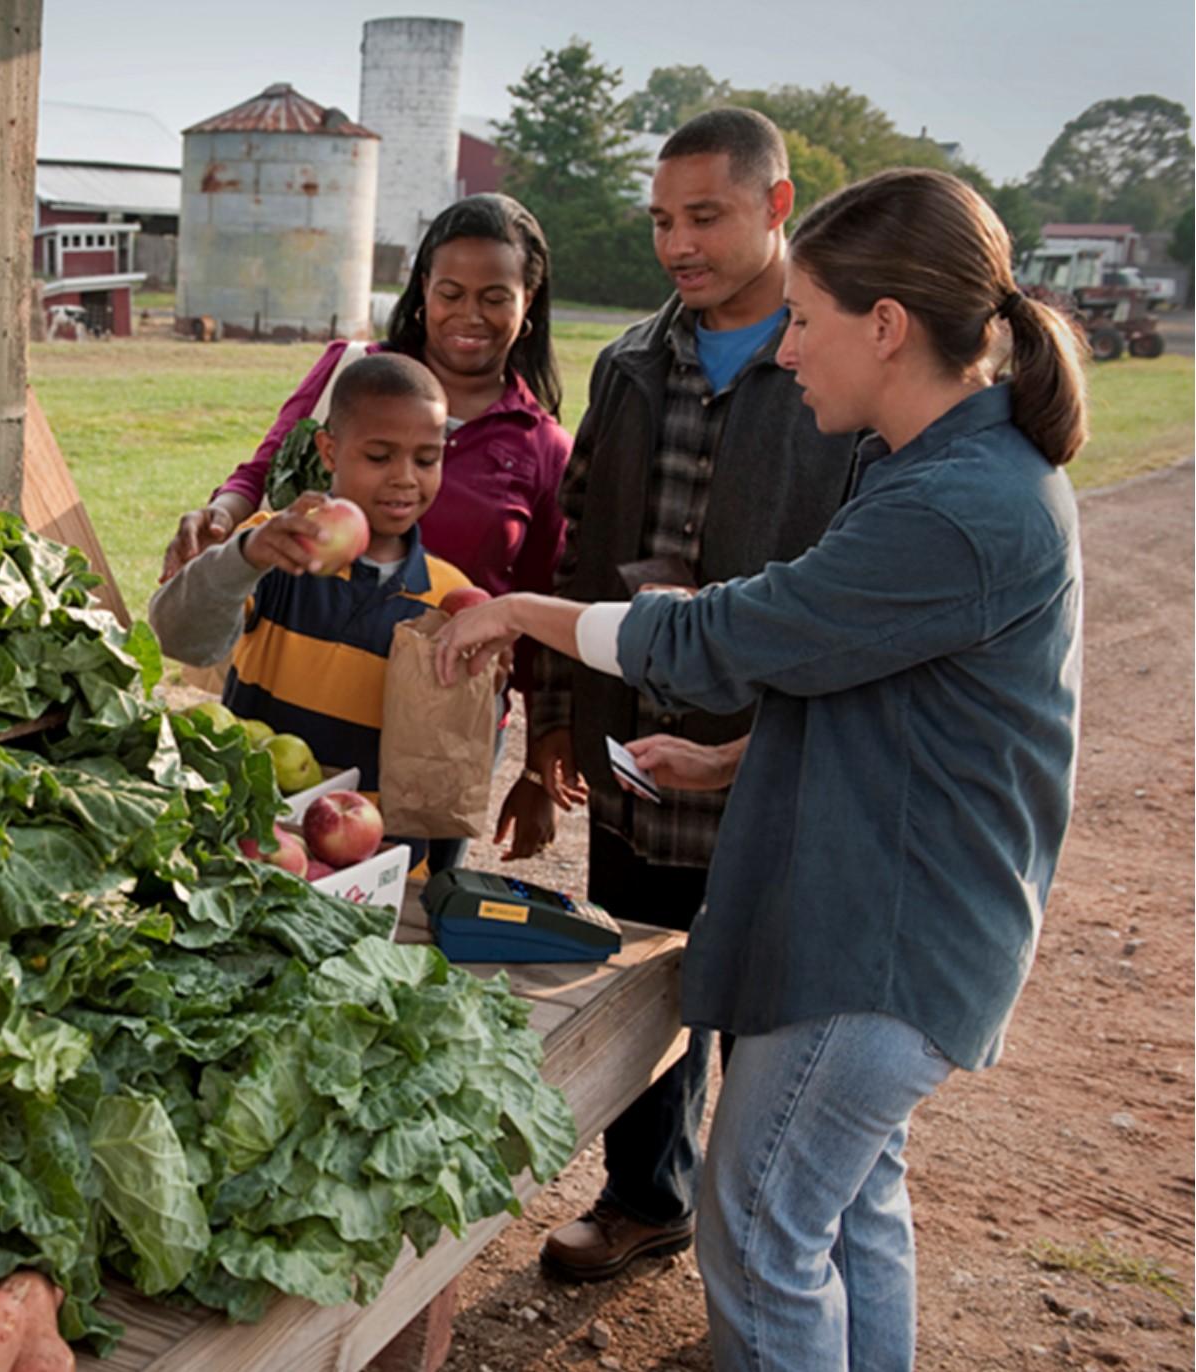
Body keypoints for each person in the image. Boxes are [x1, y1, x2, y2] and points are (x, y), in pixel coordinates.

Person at [435, 167, 1086, 1372]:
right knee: (848, 1216)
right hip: (901, 922)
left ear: (885, 327)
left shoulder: (952, 505)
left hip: (875, 946)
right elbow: (885, 683)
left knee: (758, 1232)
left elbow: (724, 634)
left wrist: (524, 609)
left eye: (805, 319)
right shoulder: (940, 470)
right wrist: (742, 755)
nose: (787, 352)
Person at [524, 108, 861, 1284]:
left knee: (771, 997)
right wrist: (564, 709)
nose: (678, 243)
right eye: (663, 219)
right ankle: (642, 1196)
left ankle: (761, 1236)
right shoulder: (626, 364)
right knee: (646, 978)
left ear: (776, 209)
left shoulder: (837, 368)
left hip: (779, 745)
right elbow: (575, 552)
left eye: (705, 216)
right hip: (636, 733)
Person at [162, 193, 572, 861]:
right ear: (421, 292)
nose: (469, 313)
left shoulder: (543, 446)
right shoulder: (353, 374)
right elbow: (263, 467)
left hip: (432, 725)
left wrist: (538, 765)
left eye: (494, 296)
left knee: (404, 897)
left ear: (527, 305)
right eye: (450, 291)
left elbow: (540, 610)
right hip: (300, 656)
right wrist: (227, 525)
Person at [148, 353, 475, 868]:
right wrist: (245, 555)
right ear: (328, 450)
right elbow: (179, 637)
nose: (405, 478)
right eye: (379, 456)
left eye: (426, 459)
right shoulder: (273, 548)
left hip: (378, 861)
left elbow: (449, 756)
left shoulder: (449, 598)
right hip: (255, 845)